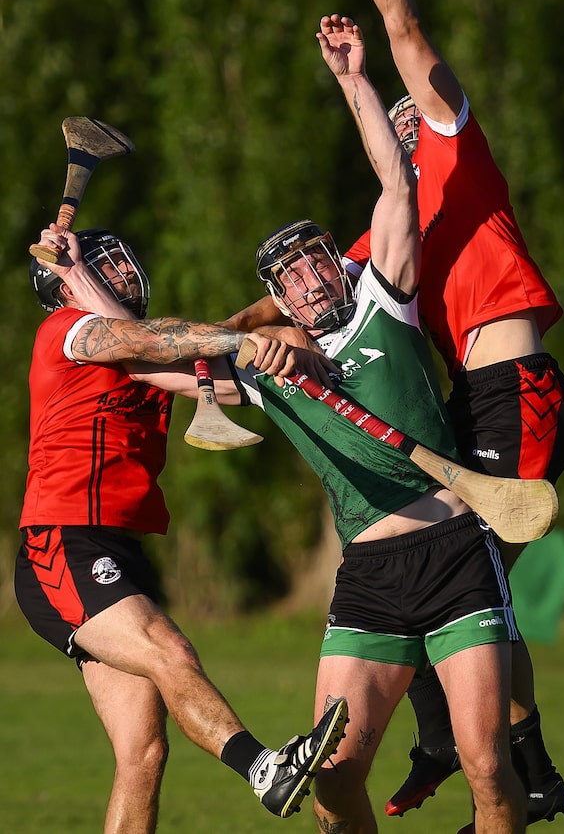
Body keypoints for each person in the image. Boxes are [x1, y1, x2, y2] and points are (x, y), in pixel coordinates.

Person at [211, 14, 527, 834]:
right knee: (335, 779)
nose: (312, 276)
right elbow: (153, 359)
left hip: (455, 547)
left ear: (337, 260)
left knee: (490, 767)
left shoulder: (386, 297)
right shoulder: (272, 364)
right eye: (291, 275)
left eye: (318, 257)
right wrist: (81, 290)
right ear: (278, 300)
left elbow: (397, 185)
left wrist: (353, 79)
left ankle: (530, 778)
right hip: (369, 579)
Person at [314, 0, 564, 829]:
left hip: (517, 389)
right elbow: (302, 290)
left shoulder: (456, 148)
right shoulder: (396, 232)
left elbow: (403, 25)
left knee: (472, 575)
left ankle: (497, 763)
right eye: (387, 125)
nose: (400, 126)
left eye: (407, 118)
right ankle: (515, 765)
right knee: (464, 580)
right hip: (470, 407)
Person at [16, 224, 348, 834]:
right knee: (171, 652)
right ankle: (265, 770)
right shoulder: (68, 332)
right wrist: (246, 340)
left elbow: (209, 371)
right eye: (103, 268)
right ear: (62, 284)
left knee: (142, 754)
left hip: (118, 547)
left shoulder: (138, 361)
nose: (122, 274)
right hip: (63, 543)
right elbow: (157, 337)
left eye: (120, 262)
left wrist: (278, 339)